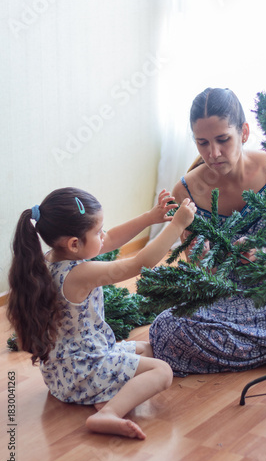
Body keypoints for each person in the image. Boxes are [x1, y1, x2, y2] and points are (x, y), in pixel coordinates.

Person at [149, 87, 266, 376]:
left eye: (223, 139)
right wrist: (205, 261)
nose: (213, 153)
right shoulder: (186, 191)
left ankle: (262, 351)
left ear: (244, 132)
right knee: (166, 330)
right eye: (202, 143)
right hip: (232, 298)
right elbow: (201, 276)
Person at [7, 187, 196, 439]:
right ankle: (109, 413)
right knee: (162, 371)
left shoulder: (47, 259)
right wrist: (177, 225)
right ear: (74, 244)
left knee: (147, 349)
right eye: (98, 231)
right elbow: (138, 264)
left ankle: (103, 395)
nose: (104, 235)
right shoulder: (80, 274)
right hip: (84, 369)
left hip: (61, 373)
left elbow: (108, 241)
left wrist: (150, 217)